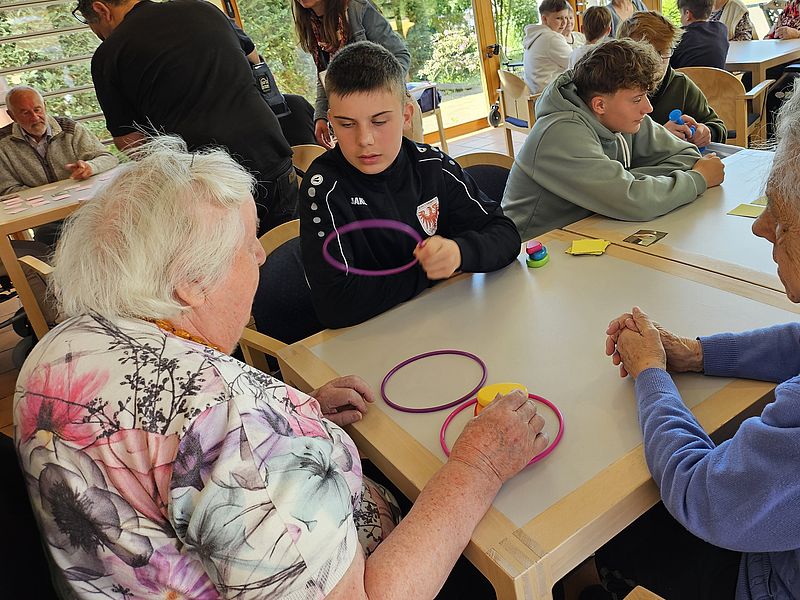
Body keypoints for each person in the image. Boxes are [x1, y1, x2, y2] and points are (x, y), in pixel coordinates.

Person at [14, 134, 548, 599]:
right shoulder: (229, 421)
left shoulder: (62, 346)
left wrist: (292, 421)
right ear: (191, 283)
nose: (264, 258)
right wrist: (478, 465)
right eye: (249, 247)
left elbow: (174, 460)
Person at [598, 83, 800, 600]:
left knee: (613, 529)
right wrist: (696, 353)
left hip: (770, 577)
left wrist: (651, 374)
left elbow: (707, 496)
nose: (760, 227)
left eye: (780, 214)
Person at [299, 42, 521, 329]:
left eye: (379, 121)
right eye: (346, 125)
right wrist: (428, 273)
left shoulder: (431, 166)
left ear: (405, 115)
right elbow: (335, 304)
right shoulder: (324, 187)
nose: (365, 139)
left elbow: (506, 235)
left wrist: (459, 253)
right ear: (330, 121)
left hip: (448, 322)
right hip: (373, 339)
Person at [77, 0, 296, 234]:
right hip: (268, 152)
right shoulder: (204, 9)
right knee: (291, 249)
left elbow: (130, 142)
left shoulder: (109, 54)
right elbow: (254, 58)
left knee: (237, 263)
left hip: (205, 182)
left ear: (101, 9)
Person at [502, 39, 724, 242]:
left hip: (591, 234)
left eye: (646, 96)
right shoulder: (560, 134)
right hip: (533, 253)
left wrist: (628, 185)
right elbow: (635, 202)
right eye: (637, 99)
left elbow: (687, 155)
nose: (648, 108)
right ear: (599, 105)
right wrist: (698, 178)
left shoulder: (623, 117)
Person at [292, 0, 421, 148]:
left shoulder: (357, 8)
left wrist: (377, 92)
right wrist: (320, 115)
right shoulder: (312, 25)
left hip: (390, 115)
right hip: (357, 124)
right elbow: (326, 77)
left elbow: (400, 55)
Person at [618, 11, 727, 146]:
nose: (656, 62)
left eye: (663, 52)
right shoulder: (614, 91)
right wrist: (660, 136)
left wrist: (705, 132)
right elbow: (614, 146)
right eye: (647, 54)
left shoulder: (681, 85)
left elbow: (716, 125)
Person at [0, 86, 117, 195]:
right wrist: (47, 196)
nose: (35, 117)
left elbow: (108, 158)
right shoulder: (3, 143)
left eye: (37, 110)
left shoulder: (69, 128)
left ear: (44, 106)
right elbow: (7, 188)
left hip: (81, 199)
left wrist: (90, 167)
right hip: (35, 210)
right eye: (25, 113)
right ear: (12, 116)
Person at [522, 0, 573, 94]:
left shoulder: (535, 35)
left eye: (566, 17)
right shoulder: (551, 38)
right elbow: (576, 63)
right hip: (551, 96)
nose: (564, 23)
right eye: (559, 18)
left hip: (537, 94)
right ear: (544, 19)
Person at [670, 0, 729, 70]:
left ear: (687, 14)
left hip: (684, 80)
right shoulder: (722, 30)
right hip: (716, 80)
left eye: (681, 14)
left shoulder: (677, 36)